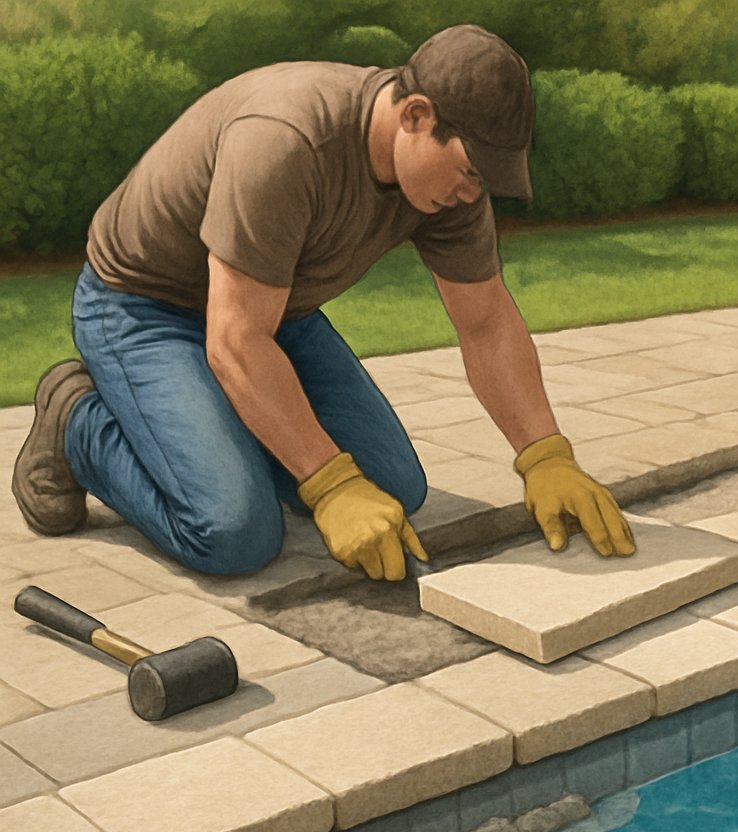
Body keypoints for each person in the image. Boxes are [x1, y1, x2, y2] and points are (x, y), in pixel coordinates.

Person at [11, 24, 634, 582]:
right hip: (143, 308)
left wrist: (544, 454)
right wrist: (329, 483)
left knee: (393, 486)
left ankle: (214, 436)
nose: (476, 191)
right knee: (235, 533)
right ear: (416, 114)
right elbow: (234, 340)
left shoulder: (448, 190)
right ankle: (77, 424)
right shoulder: (285, 142)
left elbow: (487, 321)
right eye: (473, 169)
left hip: (274, 314)